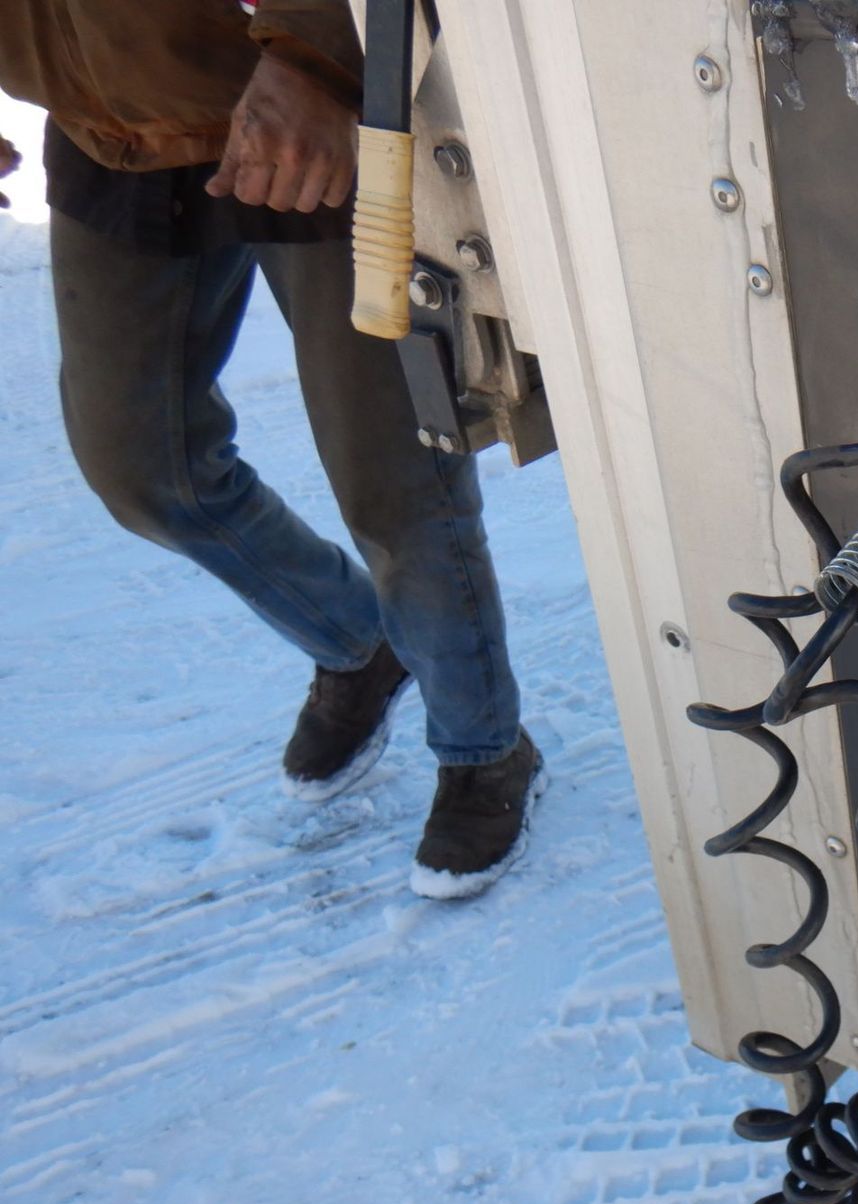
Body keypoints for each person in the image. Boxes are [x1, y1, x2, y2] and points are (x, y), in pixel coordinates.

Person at [0, 0, 542, 899]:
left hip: (310, 110)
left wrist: (318, 53)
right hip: (109, 124)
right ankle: (358, 641)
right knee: (141, 469)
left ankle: (482, 746)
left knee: (397, 479)